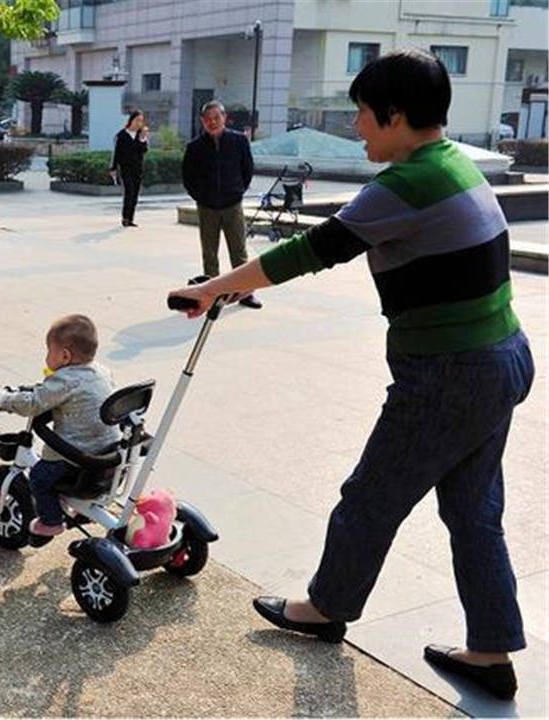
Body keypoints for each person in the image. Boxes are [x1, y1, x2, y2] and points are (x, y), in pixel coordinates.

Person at [169, 49, 534, 701]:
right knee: (473, 509)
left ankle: (325, 607)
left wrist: (213, 289)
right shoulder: (452, 164)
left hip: (450, 372)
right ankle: (490, 650)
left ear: (393, 115)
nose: (357, 128)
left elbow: (312, 251)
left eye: (362, 114)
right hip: (499, 356)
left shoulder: (405, 183)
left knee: (370, 496)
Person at [0, 314, 119, 537]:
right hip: (105, 456)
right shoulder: (102, 372)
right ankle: (78, 510)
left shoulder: (64, 380)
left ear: (65, 356)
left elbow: (35, 402)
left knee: (38, 477)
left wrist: (1, 399)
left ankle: (52, 521)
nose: (46, 356)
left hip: (75, 460)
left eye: (49, 351)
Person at [181, 100, 262, 309]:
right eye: (208, 119)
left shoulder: (238, 142)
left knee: (239, 251)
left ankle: (245, 293)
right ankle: (212, 293)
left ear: (224, 118)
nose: (212, 122)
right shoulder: (194, 147)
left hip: (232, 204)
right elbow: (188, 178)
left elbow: (247, 170)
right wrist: (202, 197)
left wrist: (236, 191)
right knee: (209, 253)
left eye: (217, 117)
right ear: (202, 122)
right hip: (207, 207)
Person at [109, 110, 149, 227]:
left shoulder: (140, 135)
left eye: (141, 121)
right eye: (137, 120)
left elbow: (144, 150)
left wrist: (143, 139)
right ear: (131, 120)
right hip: (125, 168)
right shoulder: (122, 135)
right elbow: (117, 153)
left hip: (138, 169)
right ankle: (125, 218)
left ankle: (130, 218)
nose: (139, 123)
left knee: (135, 194)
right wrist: (113, 168)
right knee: (129, 192)